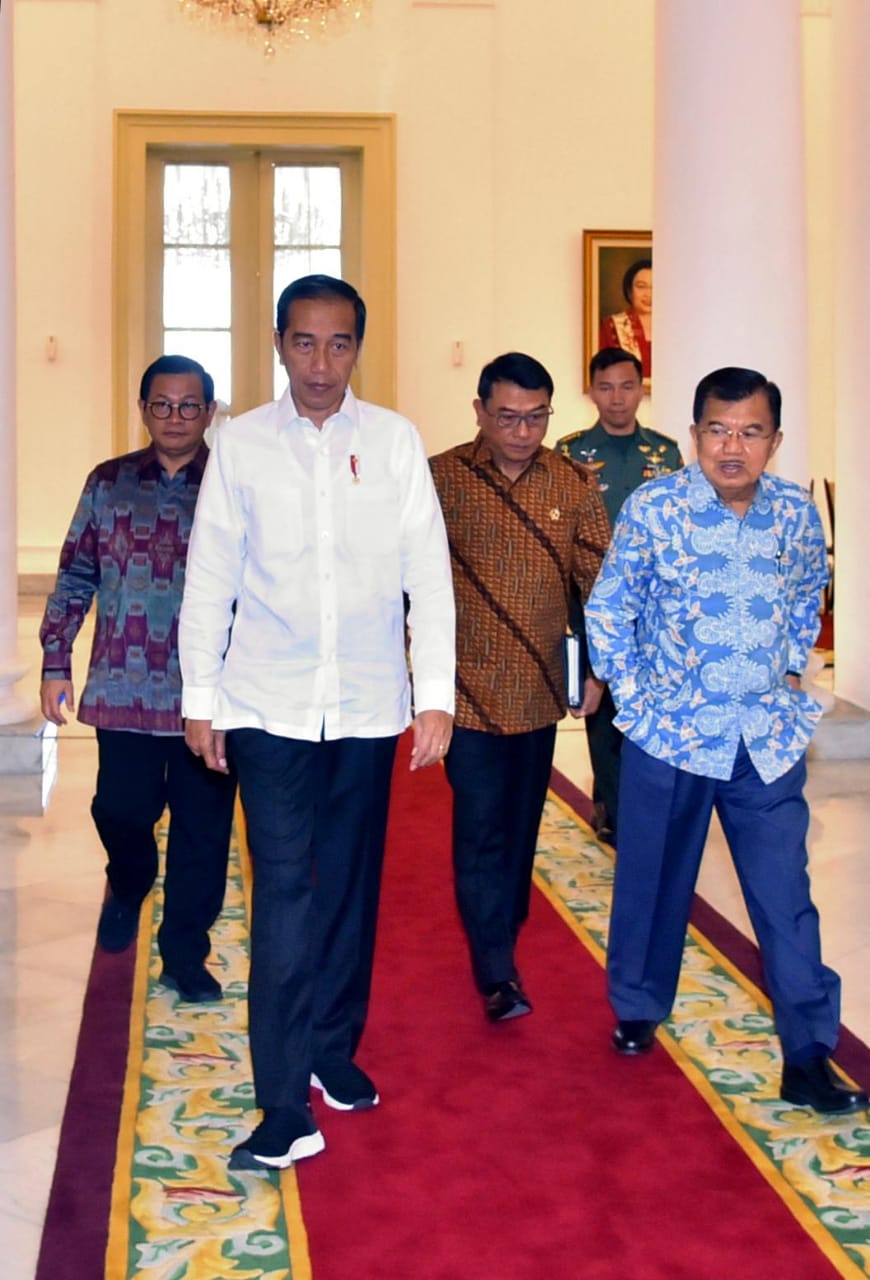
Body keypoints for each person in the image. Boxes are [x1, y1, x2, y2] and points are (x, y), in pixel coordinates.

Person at [179, 274, 455, 1171]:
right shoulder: (242, 445)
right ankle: (281, 1102)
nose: (322, 362)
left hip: (367, 706)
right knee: (285, 896)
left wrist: (435, 693)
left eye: (339, 343)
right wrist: (200, 697)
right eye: (305, 342)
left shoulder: (395, 442)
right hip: (268, 704)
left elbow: (428, 574)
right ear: (279, 344)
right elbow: (210, 575)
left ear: (358, 348)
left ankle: (332, 1050)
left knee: (349, 890)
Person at [585, 366, 868, 1115]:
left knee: (786, 897)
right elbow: (609, 609)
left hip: (763, 741)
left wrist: (789, 665)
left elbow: (807, 593)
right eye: (717, 429)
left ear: (775, 440)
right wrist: (637, 700)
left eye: (750, 432)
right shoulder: (655, 509)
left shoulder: (795, 515)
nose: (732, 447)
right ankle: (638, 1005)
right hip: (670, 736)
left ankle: (808, 1054)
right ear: (694, 434)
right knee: (652, 883)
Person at [39, 355, 236, 1003]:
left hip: (209, 698)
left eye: (189, 406)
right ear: (144, 408)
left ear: (210, 412)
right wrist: (56, 661)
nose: (175, 418)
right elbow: (76, 574)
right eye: (162, 405)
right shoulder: (109, 482)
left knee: (203, 835)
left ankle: (184, 955)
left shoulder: (233, 485)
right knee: (119, 809)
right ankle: (129, 880)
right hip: (124, 688)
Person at [430, 353, 610, 1023]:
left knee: (520, 830)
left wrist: (598, 668)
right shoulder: (442, 478)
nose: (522, 431)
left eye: (537, 418)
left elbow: (600, 585)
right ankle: (497, 972)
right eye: (507, 417)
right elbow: (407, 578)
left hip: (538, 692)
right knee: (480, 827)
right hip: (466, 693)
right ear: (479, 411)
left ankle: (501, 934)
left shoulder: (573, 483)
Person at [557, 347, 683, 841]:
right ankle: (611, 806)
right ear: (591, 391)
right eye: (606, 387)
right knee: (603, 710)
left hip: (654, 604)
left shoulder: (666, 453)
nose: (616, 398)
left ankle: (646, 804)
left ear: (641, 390)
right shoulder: (569, 452)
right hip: (593, 599)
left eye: (627, 386)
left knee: (648, 706)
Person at [598, 259, 652, 379]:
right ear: (629, 290)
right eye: (641, 287)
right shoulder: (610, 326)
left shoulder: (677, 327)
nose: (648, 294)